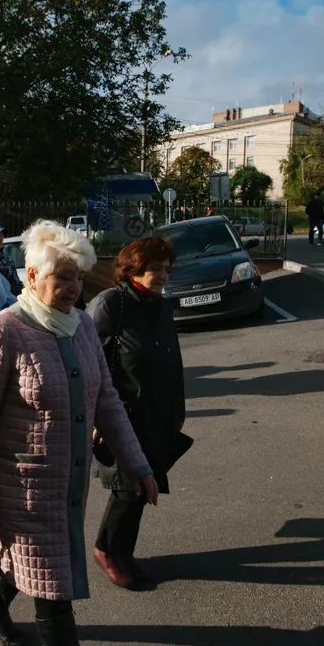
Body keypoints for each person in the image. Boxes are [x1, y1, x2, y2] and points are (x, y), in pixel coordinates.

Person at [0, 220, 155, 646]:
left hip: (68, 487)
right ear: (31, 276)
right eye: (62, 277)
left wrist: (137, 465)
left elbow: (106, 399)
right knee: (54, 594)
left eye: (78, 277)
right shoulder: (2, 332)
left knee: (24, 569)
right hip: (19, 490)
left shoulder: (81, 326)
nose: (72, 288)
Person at [88, 236, 185, 590]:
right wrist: (96, 415)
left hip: (157, 413)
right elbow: (88, 361)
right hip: (123, 415)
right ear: (133, 270)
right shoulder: (111, 304)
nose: (163, 275)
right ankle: (107, 550)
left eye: (166, 269)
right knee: (127, 489)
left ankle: (124, 551)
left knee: (144, 487)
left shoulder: (160, 306)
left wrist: (176, 409)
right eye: (155, 268)